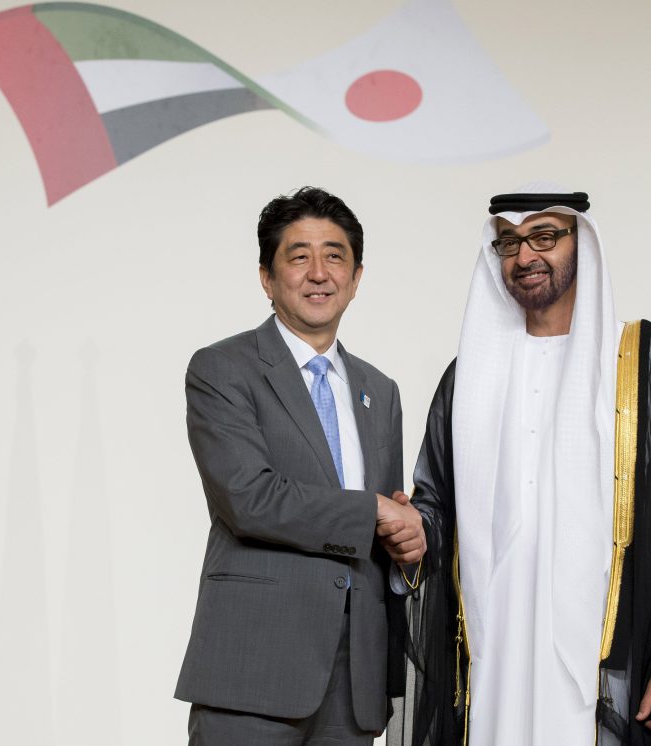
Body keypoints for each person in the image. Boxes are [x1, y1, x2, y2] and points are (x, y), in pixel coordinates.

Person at [388, 186, 651, 745]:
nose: (524, 257)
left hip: (604, 663)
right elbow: (436, 505)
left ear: (582, 244)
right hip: (497, 655)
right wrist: (414, 529)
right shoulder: (469, 379)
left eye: (544, 237)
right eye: (509, 243)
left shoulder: (643, 367)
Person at [176, 186, 426, 745]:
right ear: (267, 278)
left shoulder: (379, 391)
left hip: (355, 678)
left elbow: (378, 521)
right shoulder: (223, 369)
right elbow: (249, 498)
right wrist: (375, 513)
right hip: (254, 670)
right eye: (299, 256)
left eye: (335, 256)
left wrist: (405, 533)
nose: (319, 273)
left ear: (357, 277)